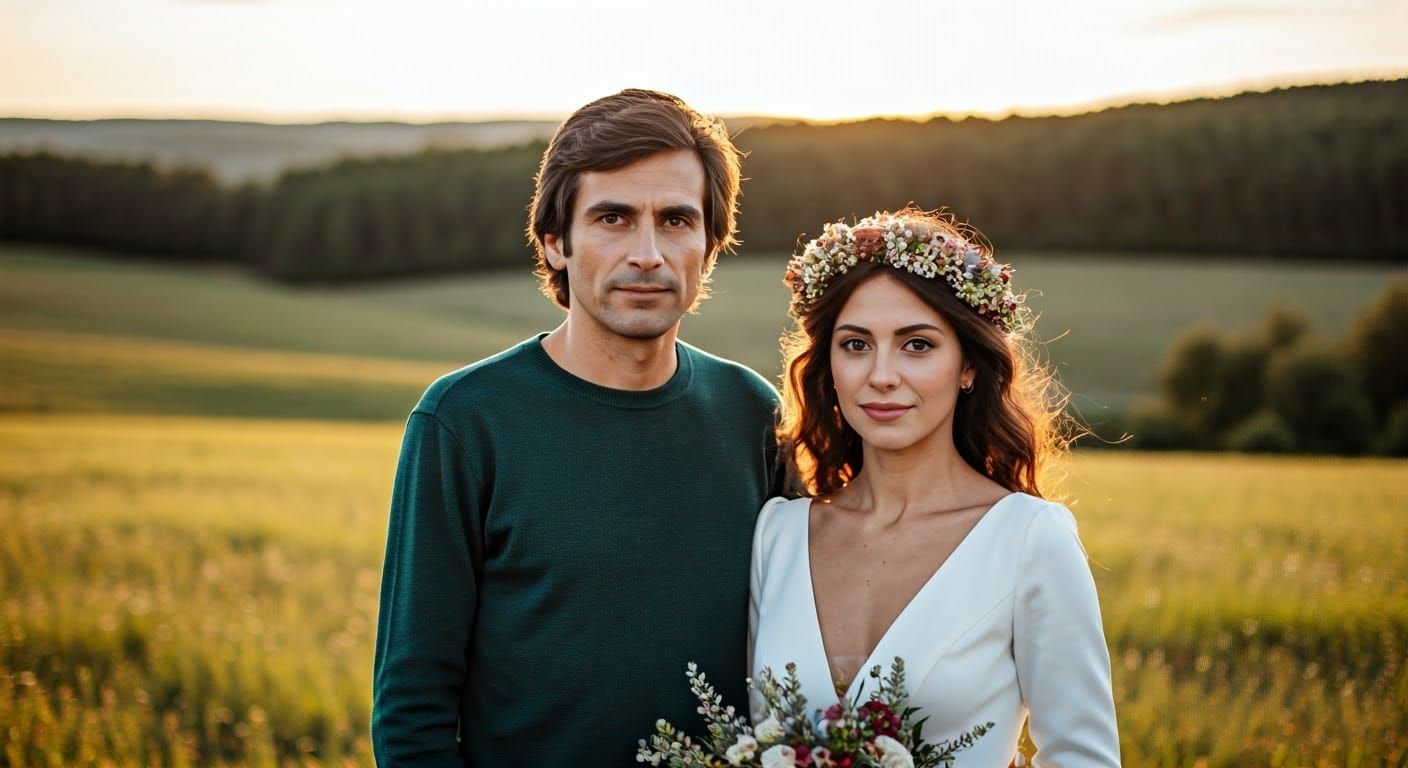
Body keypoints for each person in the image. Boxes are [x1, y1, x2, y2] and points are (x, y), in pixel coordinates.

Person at [372, 89, 783, 767]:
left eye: (676, 220)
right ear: (556, 242)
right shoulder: (465, 421)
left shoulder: (753, 413)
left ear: (710, 247)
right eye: (613, 218)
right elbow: (413, 705)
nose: (647, 253)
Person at [749, 209, 1120, 766]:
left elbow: (1083, 757)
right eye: (856, 345)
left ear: (968, 366)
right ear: (829, 366)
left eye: (917, 345)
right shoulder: (778, 535)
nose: (881, 375)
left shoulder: (1028, 539)